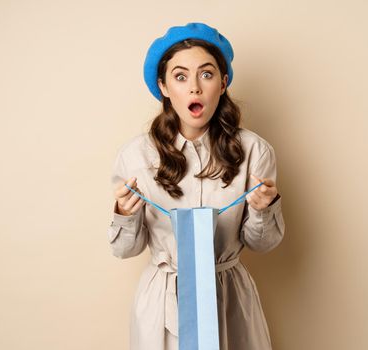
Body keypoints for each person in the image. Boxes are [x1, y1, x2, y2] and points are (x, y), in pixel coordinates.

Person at [107, 22, 285, 350]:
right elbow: (124, 249)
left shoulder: (255, 151)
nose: (194, 88)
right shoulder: (136, 155)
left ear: (223, 82)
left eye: (206, 74)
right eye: (180, 76)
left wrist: (263, 209)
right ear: (163, 86)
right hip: (162, 303)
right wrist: (124, 213)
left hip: (229, 297)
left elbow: (264, 244)